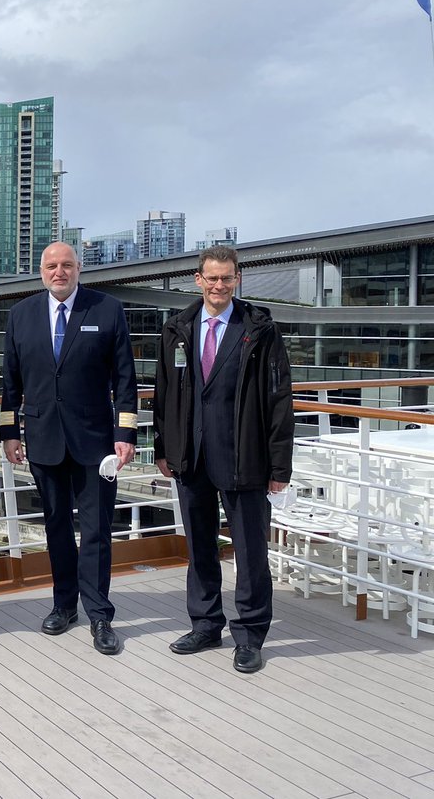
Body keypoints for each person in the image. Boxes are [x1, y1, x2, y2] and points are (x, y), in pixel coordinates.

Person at [153, 245, 293, 674]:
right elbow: (164, 393)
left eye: (226, 278)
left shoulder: (259, 329)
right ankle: (206, 623)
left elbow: (279, 398)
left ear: (237, 280)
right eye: (211, 278)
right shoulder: (177, 328)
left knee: (250, 552)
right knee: (200, 547)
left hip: (244, 457)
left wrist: (278, 465)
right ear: (198, 280)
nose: (218, 286)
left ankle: (250, 634)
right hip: (191, 458)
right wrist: (162, 447)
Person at [0, 241, 138, 655]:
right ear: (40, 272)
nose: (58, 272)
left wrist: (126, 433)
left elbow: (125, 379)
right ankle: (63, 606)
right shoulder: (20, 315)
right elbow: (10, 383)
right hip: (43, 441)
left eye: (66, 265)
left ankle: (99, 614)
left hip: (96, 443)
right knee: (57, 527)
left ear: (79, 268)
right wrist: (10, 433)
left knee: (96, 531)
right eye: (50, 266)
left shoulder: (106, 309)